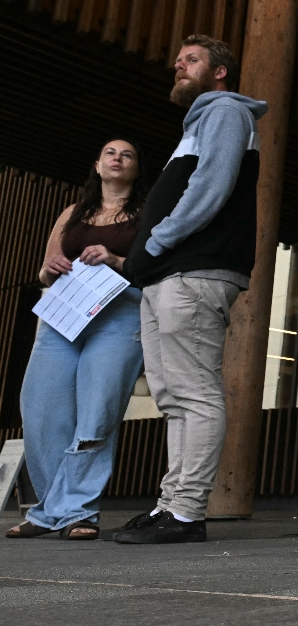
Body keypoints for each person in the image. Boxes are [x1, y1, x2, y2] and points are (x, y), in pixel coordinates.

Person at [107, 35, 268, 545]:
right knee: (174, 397)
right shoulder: (197, 124)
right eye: (177, 61)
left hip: (192, 271)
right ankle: (171, 504)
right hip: (168, 274)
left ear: (219, 72)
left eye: (191, 60)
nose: (179, 67)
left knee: (194, 394)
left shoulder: (224, 111)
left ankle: (187, 512)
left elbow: (211, 188)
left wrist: (157, 240)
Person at [6, 141, 147, 541]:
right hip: (63, 315)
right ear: (97, 165)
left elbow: (152, 265)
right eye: (109, 153)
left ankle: (78, 510)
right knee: (42, 411)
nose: (117, 157)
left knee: (96, 413)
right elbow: (45, 272)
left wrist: (116, 259)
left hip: (119, 314)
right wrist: (49, 269)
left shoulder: (145, 215)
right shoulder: (73, 212)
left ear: (135, 170)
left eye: (127, 155)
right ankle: (52, 509)